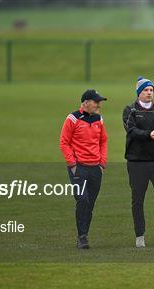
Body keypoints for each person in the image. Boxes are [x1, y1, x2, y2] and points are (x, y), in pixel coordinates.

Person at [122, 76, 154, 248]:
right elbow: (131, 130)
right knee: (138, 199)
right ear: (139, 92)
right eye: (146, 90)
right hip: (136, 162)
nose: (149, 93)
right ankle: (140, 237)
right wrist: (148, 134)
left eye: (151, 90)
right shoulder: (130, 110)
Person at [60, 89, 108, 249]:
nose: (99, 105)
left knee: (90, 204)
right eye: (96, 102)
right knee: (82, 200)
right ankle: (81, 237)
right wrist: (72, 165)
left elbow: (103, 141)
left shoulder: (99, 119)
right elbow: (64, 142)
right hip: (78, 168)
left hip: (95, 168)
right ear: (86, 102)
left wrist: (102, 163)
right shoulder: (72, 119)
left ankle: (84, 235)